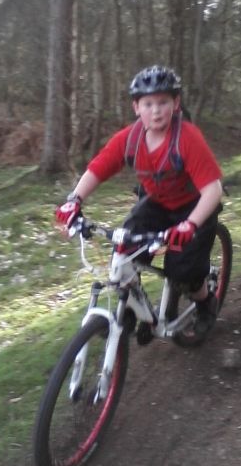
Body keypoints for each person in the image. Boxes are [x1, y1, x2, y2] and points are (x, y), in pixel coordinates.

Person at [55, 65, 223, 337]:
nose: (155, 110)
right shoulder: (130, 138)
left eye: (163, 102)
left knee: (182, 272)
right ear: (136, 107)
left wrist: (190, 225)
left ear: (175, 104)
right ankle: (135, 310)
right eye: (148, 104)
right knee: (124, 249)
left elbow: (213, 189)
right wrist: (74, 200)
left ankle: (206, 302)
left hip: (194, 208)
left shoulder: (187, 138)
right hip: (157, 204)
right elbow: (98, 168)